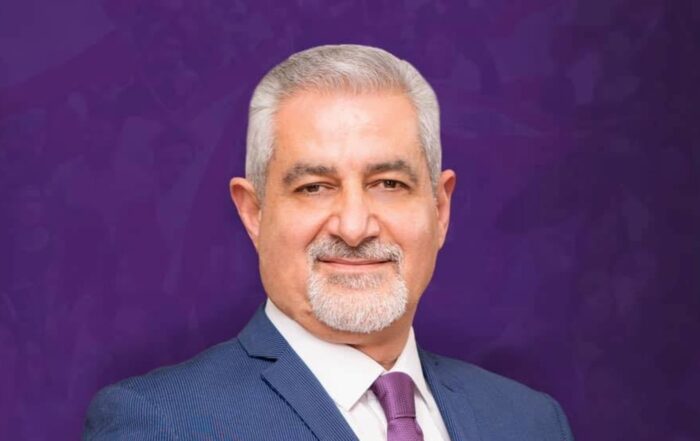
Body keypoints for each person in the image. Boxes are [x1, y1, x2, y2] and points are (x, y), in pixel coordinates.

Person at [83, 44, 575, 441]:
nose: (354, 227)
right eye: (314, 187)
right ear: (254, 213)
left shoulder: (530, 422)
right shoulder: (160, 424)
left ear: (440, 209)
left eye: (389, 184)